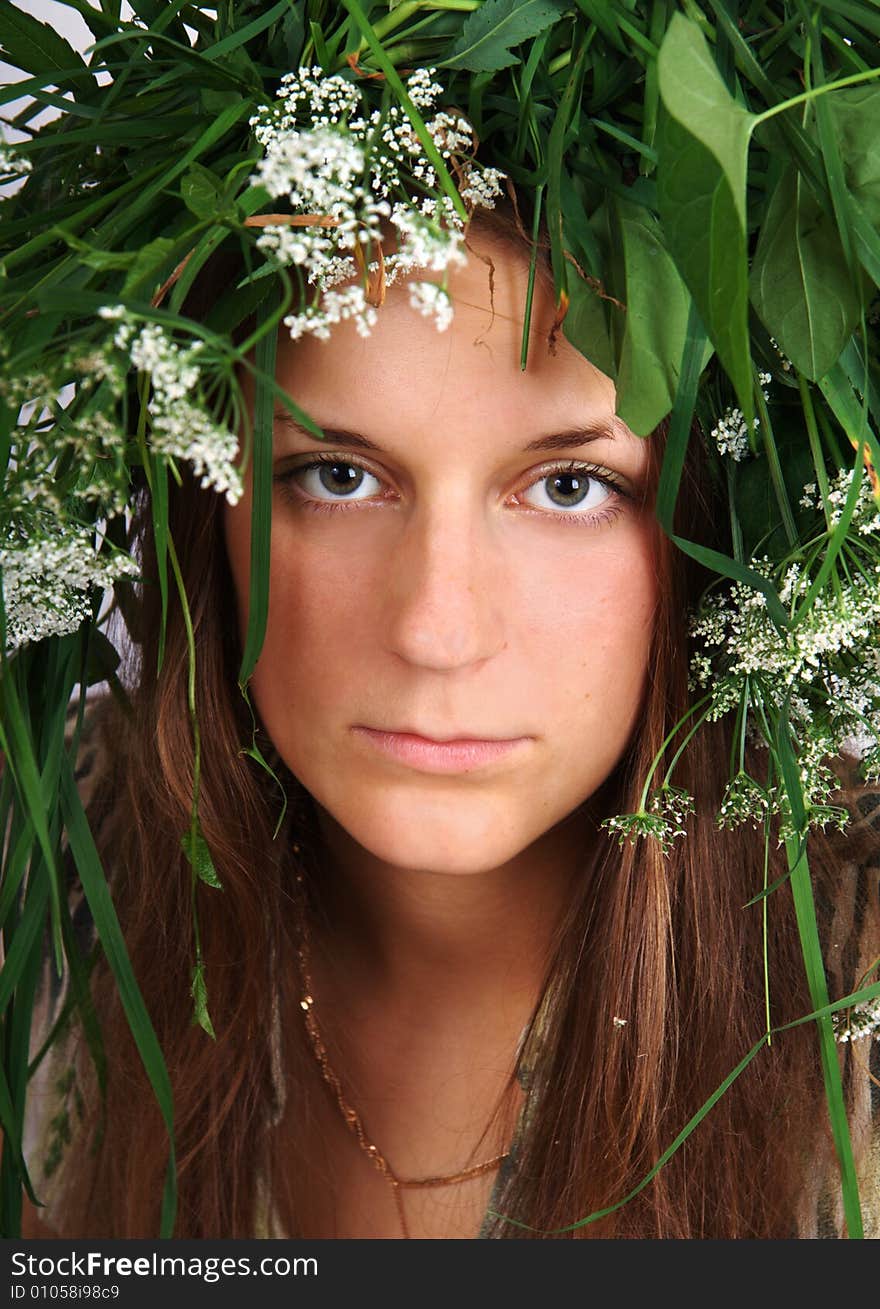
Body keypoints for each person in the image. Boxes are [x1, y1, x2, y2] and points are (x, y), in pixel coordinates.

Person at [20, 202, 880, 1239]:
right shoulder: (51, 864)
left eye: (570, 487)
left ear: (716, 526)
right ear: (206, 506)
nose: (437, 629)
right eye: (338, 478)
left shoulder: (856, 994)